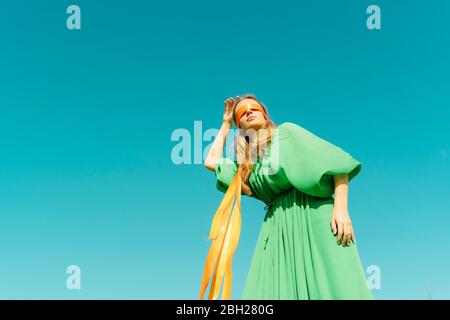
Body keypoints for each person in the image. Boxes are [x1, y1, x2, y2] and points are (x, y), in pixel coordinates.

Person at [200, 93, 372, 300]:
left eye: (254, 108)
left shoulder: (287, 134)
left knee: (335, 283)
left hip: (315, 216)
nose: (248, 111)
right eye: (241, 114)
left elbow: (336, 164)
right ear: (240, 127)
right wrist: (226, 123)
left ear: (265, 115)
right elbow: (210, 161)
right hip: (276, 232)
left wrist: (341, 209)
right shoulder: (246, 168)